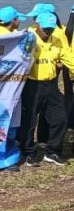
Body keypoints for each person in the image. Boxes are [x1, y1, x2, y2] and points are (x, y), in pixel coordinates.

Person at [19, 13, 74, 167]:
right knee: (29, 120)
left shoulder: (56, 41)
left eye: (51, 29)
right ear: (37, 25)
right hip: (32, 85)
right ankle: (28, 152)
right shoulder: (28, 39)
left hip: (50, 84)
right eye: (45, 28)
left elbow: (70, 59)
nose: (47, 32)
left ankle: (53, 151)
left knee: (61, 118)